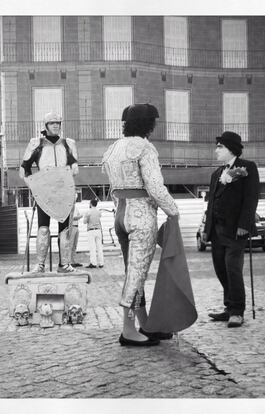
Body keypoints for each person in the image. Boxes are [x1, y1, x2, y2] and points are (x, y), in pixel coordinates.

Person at [102, 103, 179, 347]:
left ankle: (145, 324)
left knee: (133, 272)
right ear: (148, 124)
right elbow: (155, 187)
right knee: (137, 274)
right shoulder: (145, 148)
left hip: (120, 213)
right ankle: (128, 329)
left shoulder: (113, 148)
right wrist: (173, 211)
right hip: (141, 214)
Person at [203, 131, 259, 328]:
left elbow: (251, 198)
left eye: (220, 147)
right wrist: (205, 228)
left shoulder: (248, 168)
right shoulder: (216, 174)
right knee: (220, 269)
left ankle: (237, 311)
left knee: (232, 268)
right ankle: (229, 307)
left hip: (236, 230)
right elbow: (211, 204)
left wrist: (245, 224)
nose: (216, 150)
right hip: (216, 231)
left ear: (231, 149)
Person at [19, 112, 79, 273]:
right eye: (52, 123)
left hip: (63, 191)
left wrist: (66, 172)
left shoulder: (68, 144)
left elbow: (74, 167)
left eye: (58, 123)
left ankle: (64, 264)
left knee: (65, 230)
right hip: (44, 192)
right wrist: (33, 185)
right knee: (43, 229)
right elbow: (24, 169)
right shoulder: (36, 144)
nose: (56, 126)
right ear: (46, 126)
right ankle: (40, 264)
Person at [83, 199, 104, 269]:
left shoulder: (88, 212)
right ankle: (101, 263)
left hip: (91, 230)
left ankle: (93, 263)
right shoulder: (99, 212)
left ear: (91, 204)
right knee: (99, 247)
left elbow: (84, 222)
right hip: (98, 230)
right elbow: (99, 218)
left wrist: (87, 218)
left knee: (92, 247)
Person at [70, 194, 83, 267]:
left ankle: (73, 260)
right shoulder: (71, 207)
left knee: (74, 245)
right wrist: (79, 217)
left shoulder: (75, 207)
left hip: (76, 226)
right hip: (72, 227)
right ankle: (70, 261)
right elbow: (73, 218)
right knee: (71, 245)